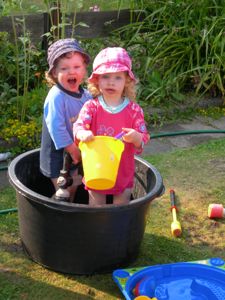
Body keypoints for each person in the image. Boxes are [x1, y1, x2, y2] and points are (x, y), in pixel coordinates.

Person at [73, 47, 150, 206]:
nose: (111, 82)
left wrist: (136, 137)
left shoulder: (134, 111)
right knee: (96, 205)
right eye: (106, 76)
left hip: (122, 170)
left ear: (127, 81)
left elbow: (143, 138)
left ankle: (117, 231)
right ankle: (96, 229)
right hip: (97, 168)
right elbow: (79, 125)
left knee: (121, 206)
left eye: (118, 77)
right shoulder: (91, 107)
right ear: (97, 80)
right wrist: (82, 133)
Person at [40, 38, 91, 201]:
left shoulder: (86, 96)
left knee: (74, 186)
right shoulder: (56, 96)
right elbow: (57, 128)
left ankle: (69, 213)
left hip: (75, 154)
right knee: (63, 189)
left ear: (84, 69)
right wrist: (72, 149)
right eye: (64, 68)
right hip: (57, 154)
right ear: (54, 73)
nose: (71, 72)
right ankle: (53, 214)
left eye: (77, 67)